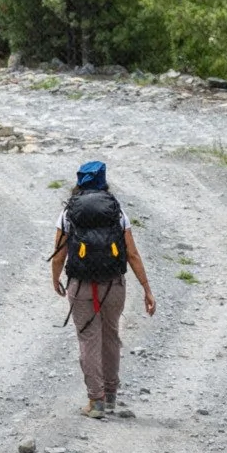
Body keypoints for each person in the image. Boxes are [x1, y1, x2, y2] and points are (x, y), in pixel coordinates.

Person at [51, 159, 155, 419]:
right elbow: (132, 254)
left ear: (79, 182)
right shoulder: (117, 213)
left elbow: (58, 255)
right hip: (113, 285)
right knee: (111, 337)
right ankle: (110, 397)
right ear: (104, 181)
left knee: (88, 339)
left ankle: (94, 402)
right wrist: (146, 288)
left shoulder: (68, 213)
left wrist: (56, 279)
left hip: (81, 286)